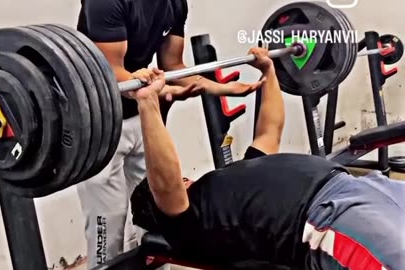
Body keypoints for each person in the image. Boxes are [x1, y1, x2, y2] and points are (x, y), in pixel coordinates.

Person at [129, 54, 405, 268]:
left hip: (367, 187)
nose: (184, 177)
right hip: (329, 217)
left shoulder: (234, 179)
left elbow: (269, 131)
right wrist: (148, 103)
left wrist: (269, 71)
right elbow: (165, 183)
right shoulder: (186, 227)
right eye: (182, 180)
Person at [76, 0, 266, 267]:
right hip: (99, 123)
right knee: (109, 224)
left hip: (141, 115)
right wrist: (140, 80)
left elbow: (174, 66)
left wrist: (223, 88)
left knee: (158, 211)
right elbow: (107, 71)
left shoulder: (175, 3)